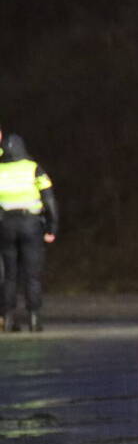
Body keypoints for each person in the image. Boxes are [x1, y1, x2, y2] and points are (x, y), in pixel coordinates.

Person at [0, 124, 58, 333]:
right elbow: (49, 198)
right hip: (31, 225)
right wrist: (52, 227)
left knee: (9, 275)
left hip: (5, 226)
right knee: (32, 274)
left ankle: (8, 319)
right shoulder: (33, 168)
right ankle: (34, 319)